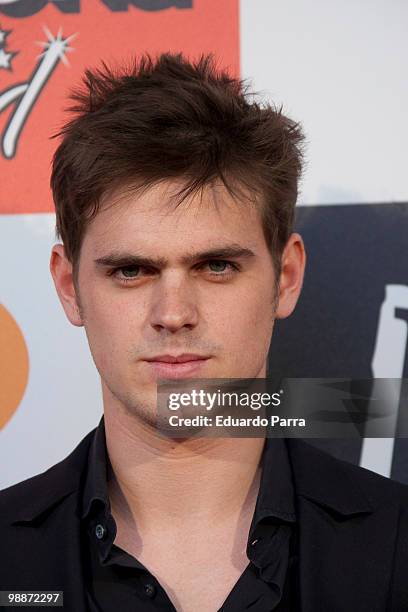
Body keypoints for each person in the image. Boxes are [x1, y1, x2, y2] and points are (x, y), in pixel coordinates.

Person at [1, 52, 408, 612]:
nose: (173, 313)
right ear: (69, 287)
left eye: (216, 266)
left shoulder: (397, 543)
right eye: (131, 270)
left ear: (285, 278)